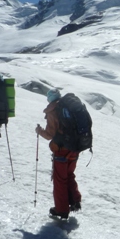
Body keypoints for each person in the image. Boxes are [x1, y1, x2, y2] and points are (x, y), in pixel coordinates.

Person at [35, 88, 82, 219]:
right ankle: (75, 200)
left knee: (60, 180)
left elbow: (50, 135)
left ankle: (62, 210)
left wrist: (39, 131)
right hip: (75, 148)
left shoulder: (53, 111)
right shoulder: (69, 107)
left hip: (61, 151)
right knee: (69, 174)